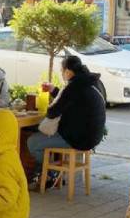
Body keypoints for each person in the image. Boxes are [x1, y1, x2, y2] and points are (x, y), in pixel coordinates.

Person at [27, 55, 106, 188]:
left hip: (77, 139)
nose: (63, 74)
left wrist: (45, 106)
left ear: (68, 71)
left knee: (32, 142)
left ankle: (51, 173)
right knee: (43, 139)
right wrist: (54, 91)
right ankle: (46, 172)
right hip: (93, 137)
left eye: (62, 71)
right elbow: (70, 99)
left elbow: (53, 111)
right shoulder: (92, 82)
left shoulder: (73, 86)